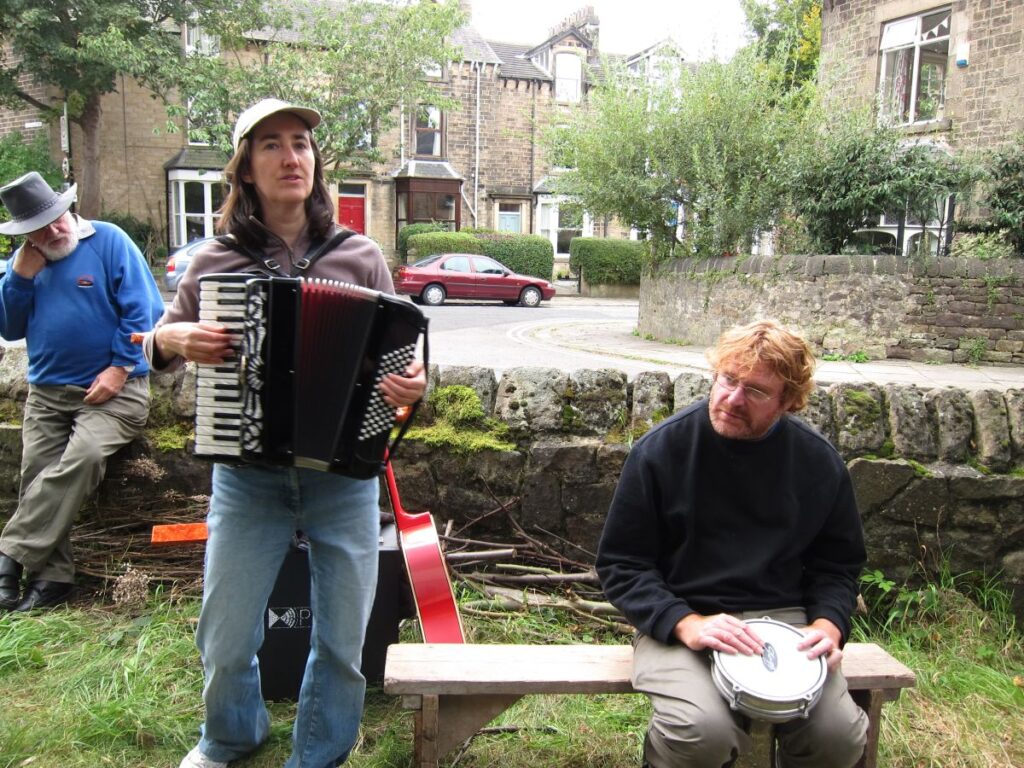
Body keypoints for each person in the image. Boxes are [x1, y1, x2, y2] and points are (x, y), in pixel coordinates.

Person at [142, 99, 426, 768]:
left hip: (343, 480)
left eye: (300, 143)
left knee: (341, 641)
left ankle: (319, 756)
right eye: (271, 144)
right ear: (244, 167)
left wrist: (410, 389)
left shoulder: (358, 256)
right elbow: (152, 353)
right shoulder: (213, 261)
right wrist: (167, 336)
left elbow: (403, 364)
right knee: (226, 635)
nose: (291, 156)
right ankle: (232, 736)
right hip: (247, 480)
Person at [595, 319, 868, 768]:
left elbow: (838, 566)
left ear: (788, 402)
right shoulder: (661, 451)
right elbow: (622, 565)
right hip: (683, 621)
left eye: (757, 391)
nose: (733, 399)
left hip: (785, 626)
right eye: (728, 380)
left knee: (837, 737)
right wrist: (686, 623)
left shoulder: (818, 462)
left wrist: (828, 625)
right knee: (701, 733)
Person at [0, 172, 163, 613]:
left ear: (68, 209)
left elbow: (145, 310)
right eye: (40, 227)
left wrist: (118, 367)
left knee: (85, 456)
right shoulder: (22, 264)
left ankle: (9, 555)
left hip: (117, 390)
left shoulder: (109, 240)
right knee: (35, 474)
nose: (54, 230)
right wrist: (19, 279)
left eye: (57, 218)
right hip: (48, 393)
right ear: (25, 233)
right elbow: (9, 328)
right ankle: (53, 579)